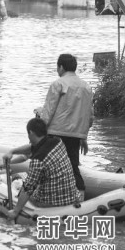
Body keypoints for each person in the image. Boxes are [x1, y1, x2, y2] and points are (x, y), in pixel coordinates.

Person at [34, 53, 94, 195]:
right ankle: (80, 199)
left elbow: (49, 111)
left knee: (48, 166)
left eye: (57, 67)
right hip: (76, 134)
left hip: (56, 133)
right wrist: (84, 137)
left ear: (61, 67)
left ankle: (43, 197)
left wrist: (39, 132)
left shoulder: (58, 83)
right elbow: (90, 115)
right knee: (73, 166)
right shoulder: (86, 87)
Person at [4, 118, 81, 220]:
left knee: (20, 189)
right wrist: (12, 151)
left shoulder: (38, 160)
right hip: (73, 198)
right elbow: (32, 148)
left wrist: (15, 211)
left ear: (30, 133)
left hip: (50, 203)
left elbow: (28, 190)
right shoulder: (58, 142)